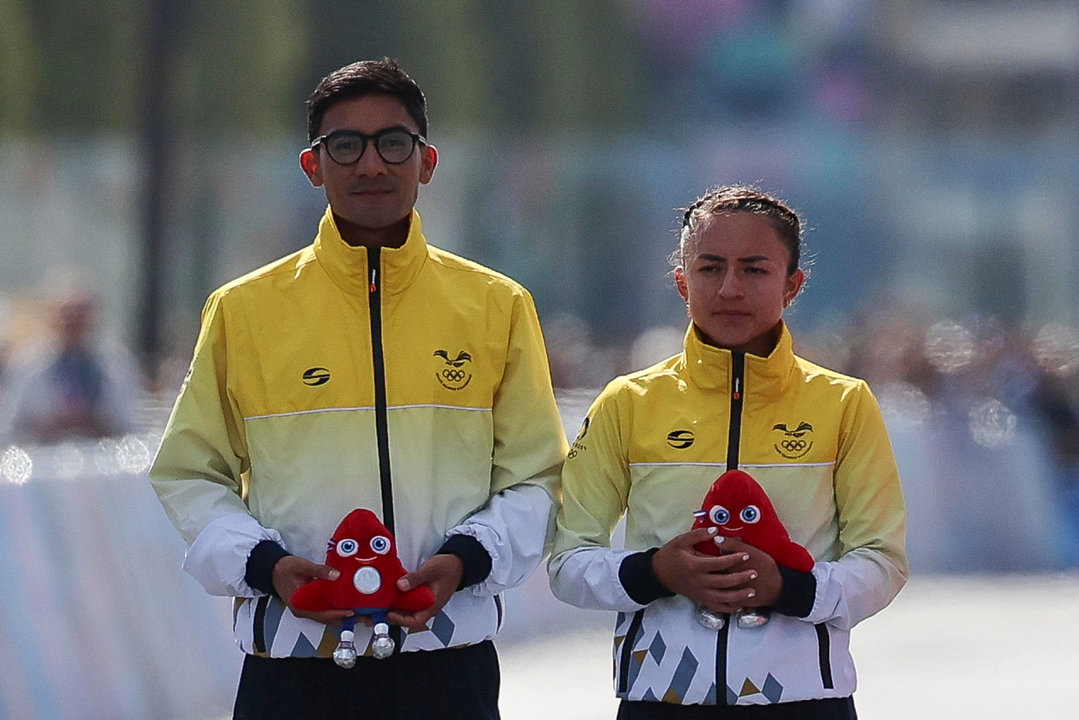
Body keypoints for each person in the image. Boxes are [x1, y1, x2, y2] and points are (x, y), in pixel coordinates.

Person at [150, 58, 567, 720]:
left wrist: (465, 558)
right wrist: (265, 566)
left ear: (426, 161)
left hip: (446, 663)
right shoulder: (244, 310)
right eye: (345, 144)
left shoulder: (496, 305)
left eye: (392, 143)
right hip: (290, 663)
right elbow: (187, 473)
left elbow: (538, 476)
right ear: (312, 165)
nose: (370, 164)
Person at [548, 186, 908, 718]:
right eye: (710, 268)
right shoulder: (628, 401)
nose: (730, 288)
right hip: (662, 696)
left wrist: (789, 587)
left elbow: (883, 562)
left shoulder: (843, 403)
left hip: (804, 699)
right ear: (681, 282)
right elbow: (566, 562)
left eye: (755, 270)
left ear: (792, 286)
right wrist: (656, 572)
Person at [0, 278, 141, 445]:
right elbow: (9, 426)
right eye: (67, 316)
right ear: (53, 318)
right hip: (42, 460)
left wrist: (95, 423)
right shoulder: (27, 364)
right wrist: (50, 424)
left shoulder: (116, 365)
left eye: (80, 317)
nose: (73, 324)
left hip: (101, 460)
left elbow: (131, 427)